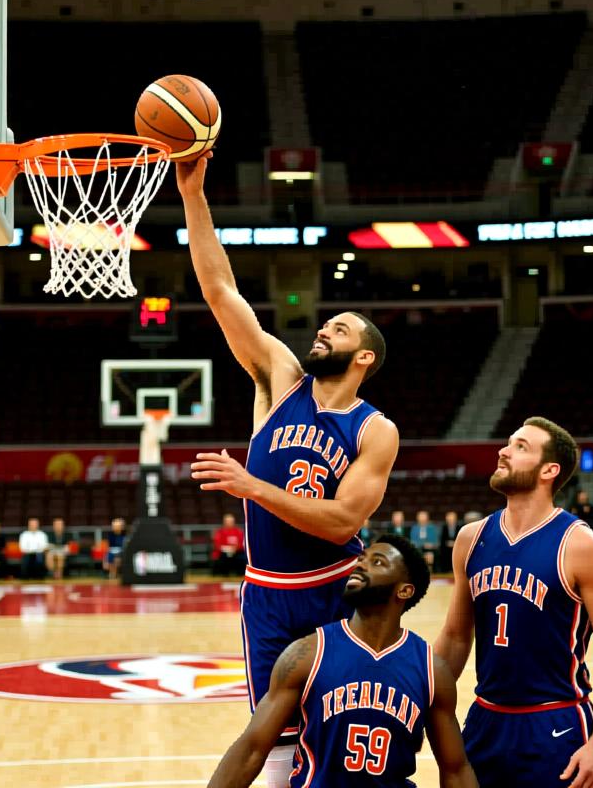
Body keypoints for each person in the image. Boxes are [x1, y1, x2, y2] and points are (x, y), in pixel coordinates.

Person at [180, 152, 398, 788]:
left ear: (363, 356)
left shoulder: (375, 429)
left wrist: (251, 484)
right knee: (272, 739)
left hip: (338, 590)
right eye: (326, 324)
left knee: (342, 739)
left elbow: (342, 523)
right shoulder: (280, 379)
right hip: (267, 593)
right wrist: (194, 194)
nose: (324, 330)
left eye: (340, 329)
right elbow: (222, 292)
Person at [435, 417, 593, 788]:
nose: (503, 451)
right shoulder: (470, 538)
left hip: (554, 723)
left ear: (549, 470)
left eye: (520, 447)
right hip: (485, 719)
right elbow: (455, 636)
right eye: (509, 443)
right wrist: (422, 700)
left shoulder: (581, 546)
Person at [206, 535, 476, 788]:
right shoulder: (306, 653)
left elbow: (455, 769)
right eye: (361, 559)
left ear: (404, 590)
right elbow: (251, 749)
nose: (360, 565)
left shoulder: (431, 670)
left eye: (377, 562)